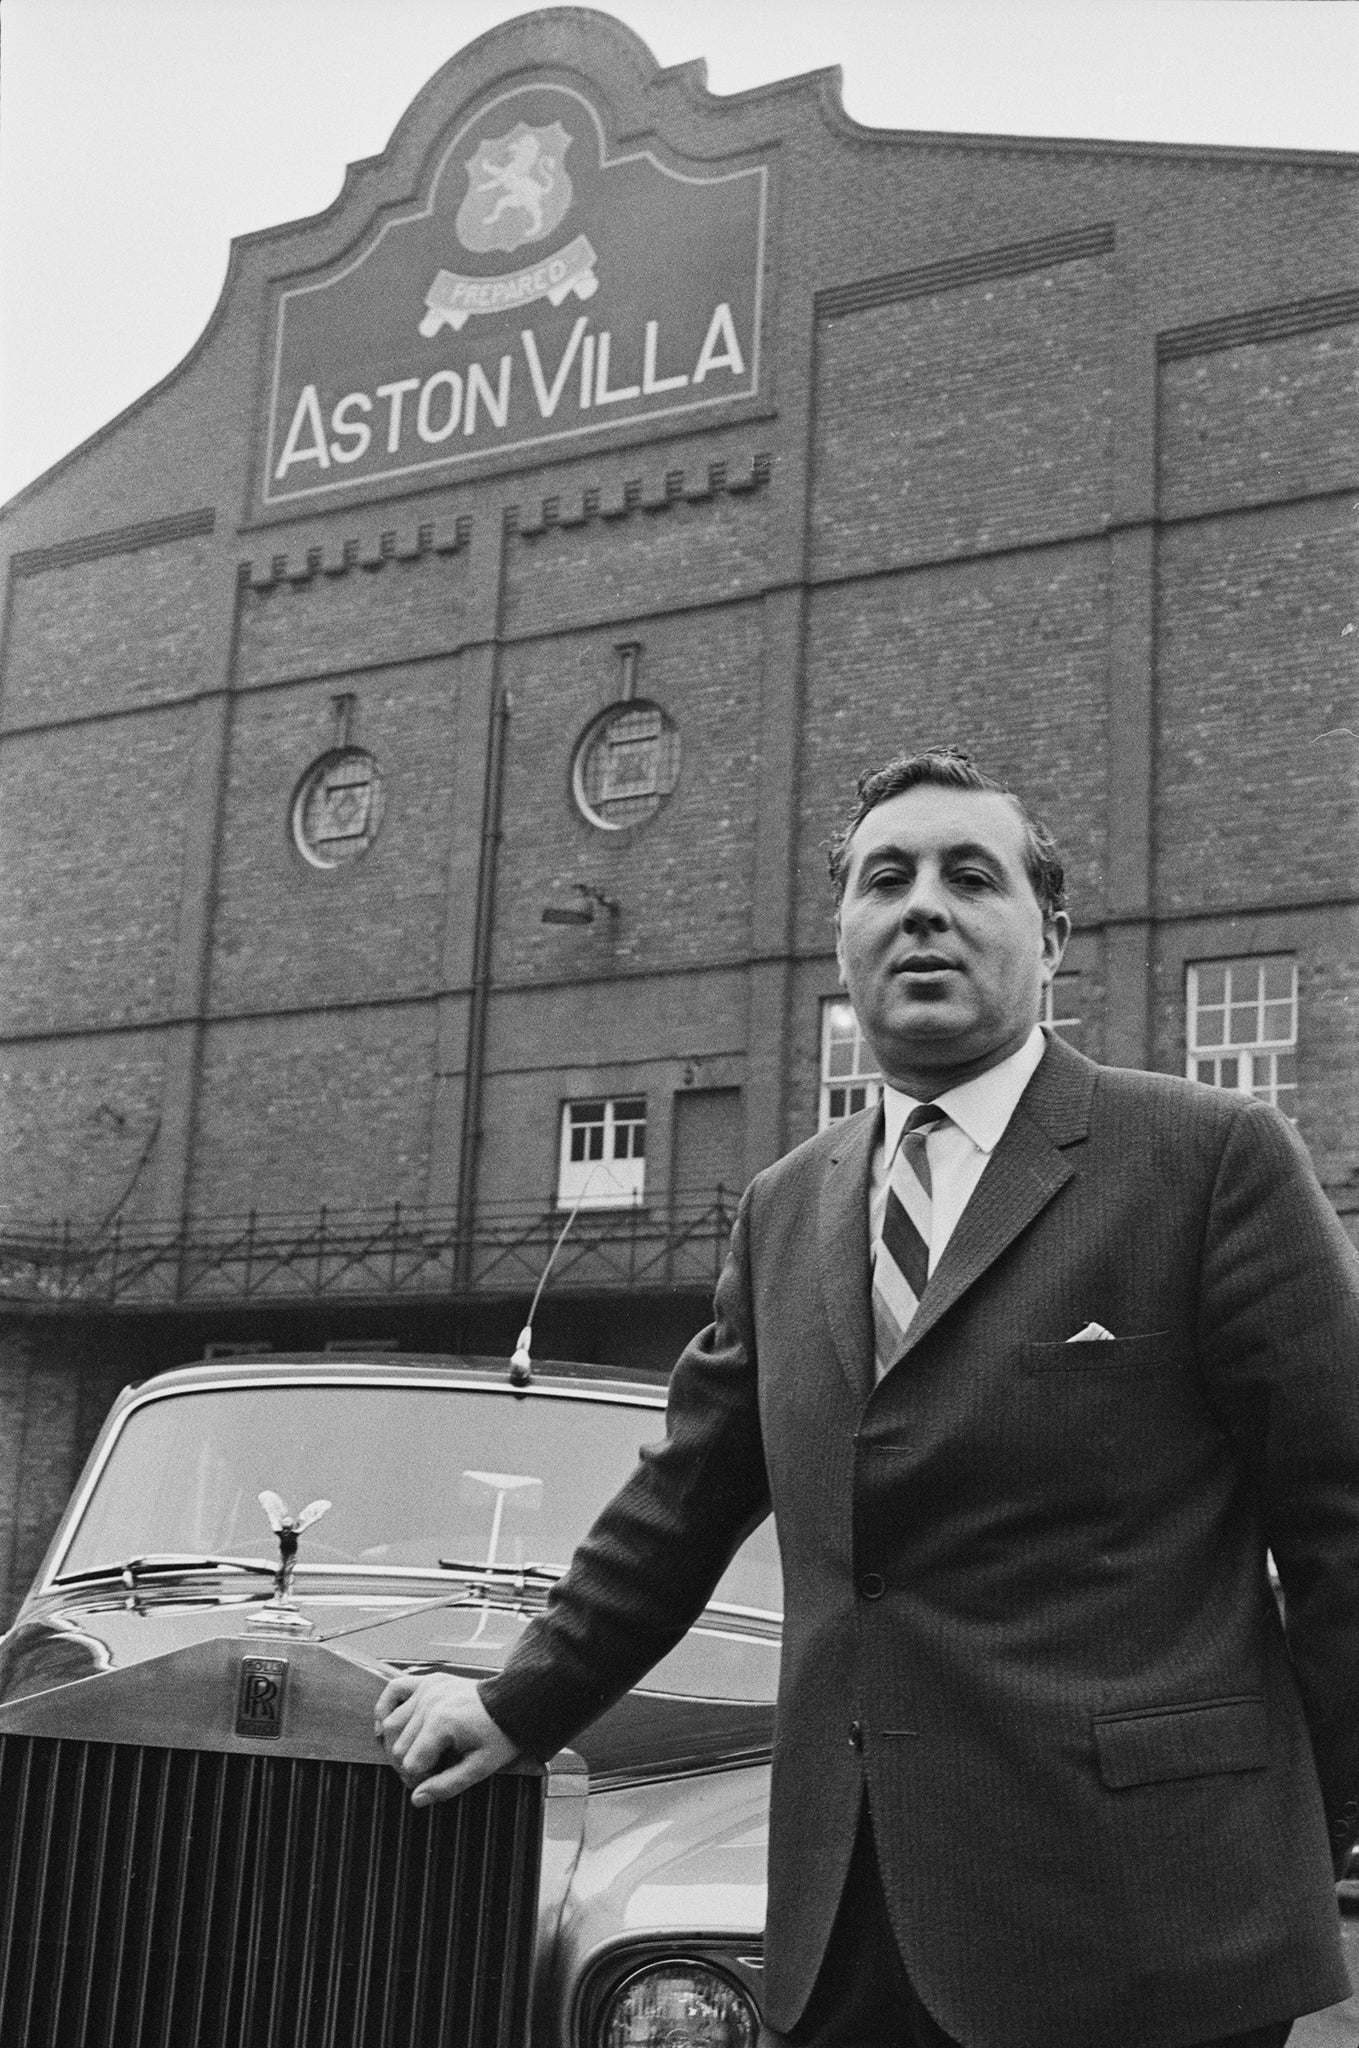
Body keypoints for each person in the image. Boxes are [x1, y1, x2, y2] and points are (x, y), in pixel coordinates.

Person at [377, 746, 1359, 2048]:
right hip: (846, 1931)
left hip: (1150, 1929)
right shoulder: (785, 1210)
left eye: (971, 874)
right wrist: (518, 1702)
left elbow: (1344, 1517)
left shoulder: (1212, 1163)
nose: (924, 905)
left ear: (1052, 935)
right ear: (842, 943)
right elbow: (683, 1498)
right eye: (885, 879)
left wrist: (1310, 1810)